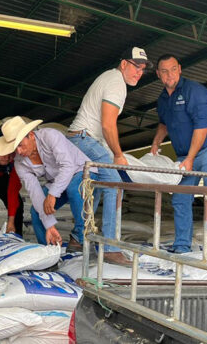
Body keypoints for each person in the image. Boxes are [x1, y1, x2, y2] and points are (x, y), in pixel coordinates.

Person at [0, 116, 128, 265]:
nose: (19, 151)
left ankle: (84, 240)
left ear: (31, 135)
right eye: (15, 148)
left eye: (20, 145)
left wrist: (53, 194)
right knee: (36, 212)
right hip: (56, 181)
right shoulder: (20, 163)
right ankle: (48, 256)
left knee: (74, 189)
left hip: (81, 171)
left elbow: (68, 166)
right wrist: (49, 226)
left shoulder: (50, 136)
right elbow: (35, 192)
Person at [66, 47, 151, 265]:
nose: (139, 72)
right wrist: (118, 155)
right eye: (136, 66)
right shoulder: (116, 83)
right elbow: (107, 124)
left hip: (79, 138)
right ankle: (111, 248)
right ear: (123, 64)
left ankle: (78, 238)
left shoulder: (109, 77)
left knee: (95, 186)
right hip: (84, 138)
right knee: (114, 183)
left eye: (142, 69)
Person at [150, 54, 207, 254]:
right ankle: (182, 244)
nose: (170, 75)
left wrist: (190, 158)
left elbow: (201, 126)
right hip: (185, 156)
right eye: (165, 71)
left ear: (180, 69)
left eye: (173, 69)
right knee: (180, 197)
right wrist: (156, 142)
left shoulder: (194, 91)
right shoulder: (162, 99)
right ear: (158, 74)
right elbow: (164, 123)